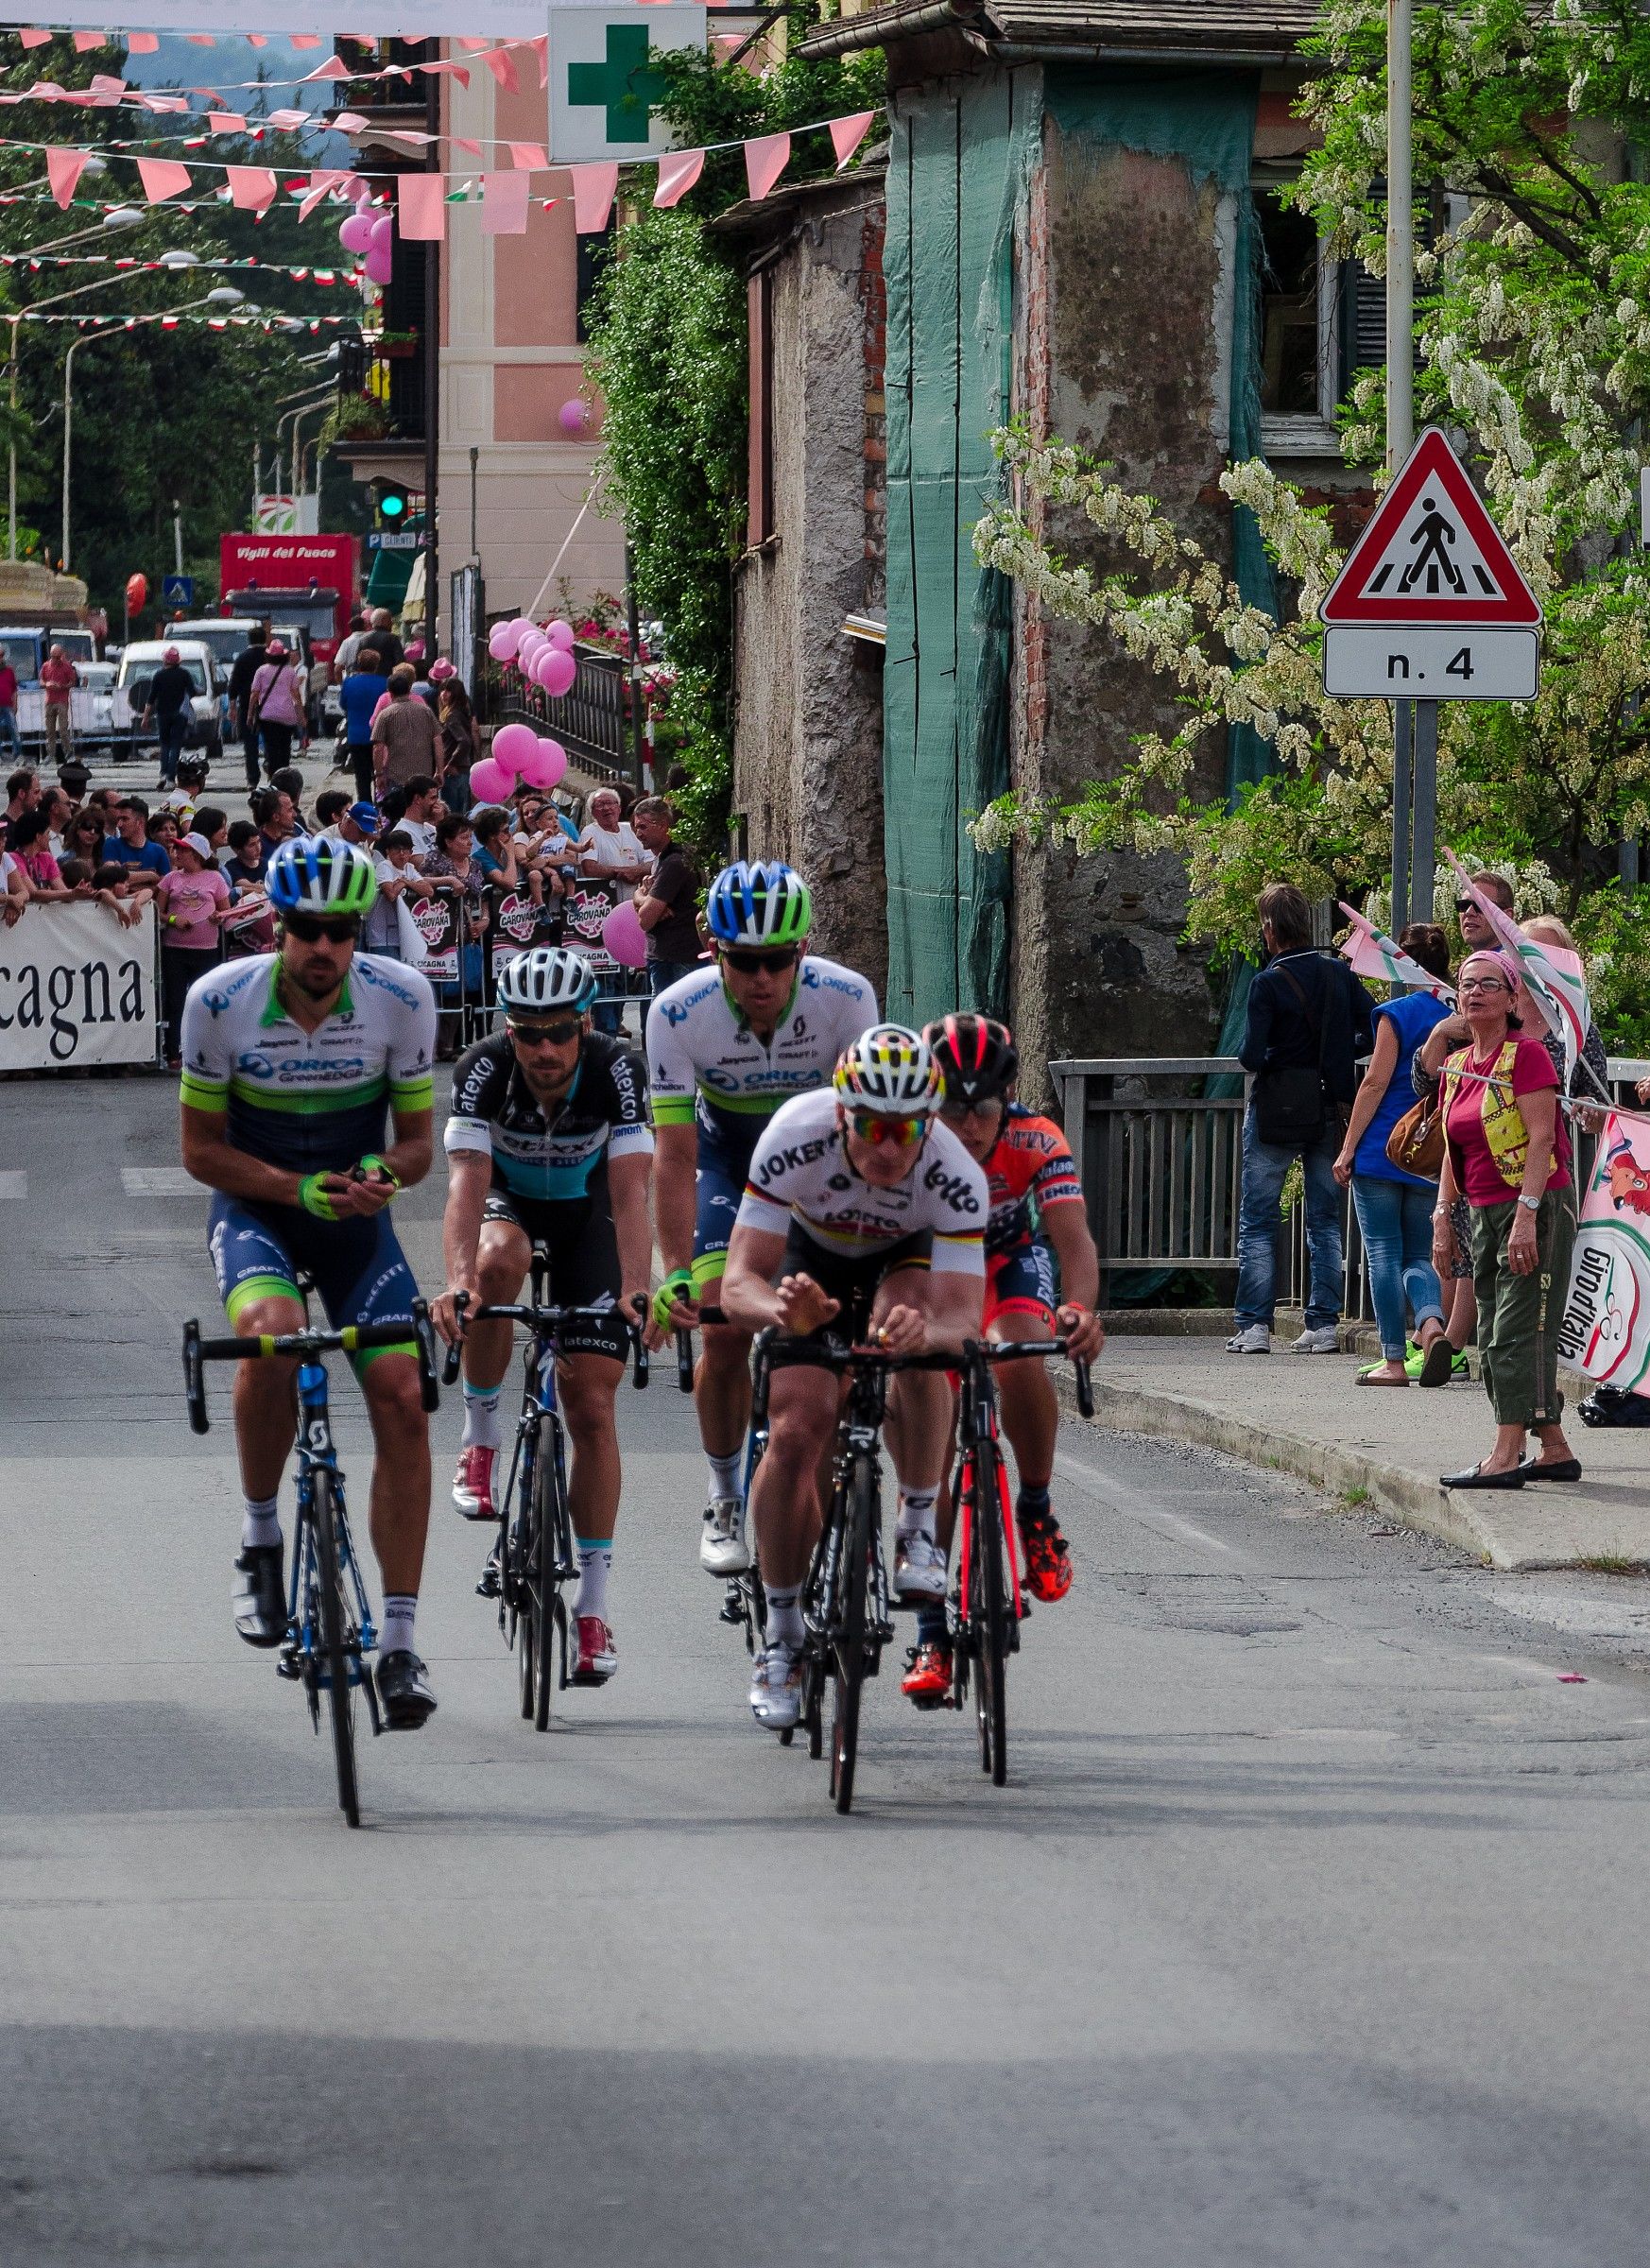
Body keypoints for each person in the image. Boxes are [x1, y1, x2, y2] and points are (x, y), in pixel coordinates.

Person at [178, 836, 441, 1727]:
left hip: (354, 1220)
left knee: (403, 1393)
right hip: (257, 1206)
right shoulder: (218, 1002)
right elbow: (199, 1152)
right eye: (306, 930)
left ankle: (400, 1644)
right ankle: (260, 1540)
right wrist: (295, 1190)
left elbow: (417, 1146)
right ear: (278, 926)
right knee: (273, 1342)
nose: (324, 947)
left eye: (341, 929)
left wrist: (384, 1175)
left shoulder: (402, 998)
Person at [719, 1027, 988, 1730]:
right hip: (812, 1261)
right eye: (872, 1127)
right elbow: (738, 1281)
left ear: (928, 1123)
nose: (890, 1147)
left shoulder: (954, 1172)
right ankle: (781, 1638)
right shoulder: (795, 1134)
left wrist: (925, 1335)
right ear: (843, 1114)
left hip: (903, 1259)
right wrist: (784, 1310)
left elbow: (964, 1321)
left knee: (915, 1336)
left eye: (906, 1131)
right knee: (797, 1429)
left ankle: (918, 1527)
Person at [645, 861, 880, 1580]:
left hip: (818, 1168)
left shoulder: (846, 999)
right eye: (743, 962)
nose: (762, 979)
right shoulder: (678, 1013)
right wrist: (676, 1271)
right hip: (726, 1164)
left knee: (840, 1340)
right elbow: (674, 1153)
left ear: (803, 950)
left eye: (779, 960)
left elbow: (868, 1137)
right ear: (713, 952)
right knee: (719, 1328)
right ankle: (722, 1496)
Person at [432, 948, 655, 1685]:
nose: (546, 1049)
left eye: (560, 1032)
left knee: (592, 1406)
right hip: (513, 1206)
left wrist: (634, 1286)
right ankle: (482, 1436)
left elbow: (629, 1191)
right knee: (498, 1262)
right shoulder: (484, 1067)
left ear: (584, 1023)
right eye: (529, 1033)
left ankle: (592, 1613)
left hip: (589, 1215)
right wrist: (460, 1284)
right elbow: (465, 1186)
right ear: (509, 1028)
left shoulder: (617, 1067)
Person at [896, 1014, 1107, 1705]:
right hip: (931, 1270)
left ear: (1006, 1097)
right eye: (952, 1108)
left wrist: (1079, 1310)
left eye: (983, 1106)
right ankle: (931, 1632)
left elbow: (1072, 1241)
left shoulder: (1034, 1137)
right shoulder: (910, 1141)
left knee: (1020, 1358)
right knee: (929, 1411)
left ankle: (1036, 1509)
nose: (969, 1123)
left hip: (1007, 1264)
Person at [1430, 948, 1578, 1489]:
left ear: (1513, 996)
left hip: (1534, 1206)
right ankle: (1555, 1449)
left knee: (1514, 1331)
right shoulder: (1459, 1065)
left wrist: (1526, 1215)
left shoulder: (1528, 1056)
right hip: (1482, 1209)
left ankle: (1505, 1453)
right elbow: (1452, 1148)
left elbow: (1542, 1138)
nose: (1473, 993)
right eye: (1466, 985)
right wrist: (1443, 1217)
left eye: (1488, 984)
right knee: (1495, 1327)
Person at [1229, 883, 1376, 1354]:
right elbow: (1374, 1029)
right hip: (1330, 1105)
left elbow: (1251, 1055)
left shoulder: (1267, 983)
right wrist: (1336, 1055)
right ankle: (1323, 1325)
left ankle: (1254, 1327)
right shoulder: (1339, 974)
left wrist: (1279, 1058)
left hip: (1276, 1107)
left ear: (1270, 929)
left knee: (1258, 1218)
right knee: (1325, 1219)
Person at [1331, 923, 1456, 1385]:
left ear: (1401, 961)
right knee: (1419, 1254)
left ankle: (1393, 1360)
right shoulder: (1460, 1012)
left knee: (1383, 1251)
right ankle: (1431, 1324)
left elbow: (1375, 1082)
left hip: (1385, 1145)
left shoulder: (1396, 1013)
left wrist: (1348, 1149)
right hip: (1433, 1149)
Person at [156, 831, 232, 1067]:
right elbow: (157, 911)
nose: (177, 853)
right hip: (175, 948)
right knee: (176, 1000)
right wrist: (172, 920)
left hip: (206, 949)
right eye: (177, 849)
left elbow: (226, 912)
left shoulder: (215, 878)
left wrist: (218, 918)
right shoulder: (170, 879)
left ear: (197, 854)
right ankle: (173, 1051)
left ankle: (207, 1049)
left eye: (183, 849)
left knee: (206, 1001)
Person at [630, 797, 700, 996]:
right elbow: (645, 904)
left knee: (673, 1023)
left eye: (643, 827)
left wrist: (643, 900)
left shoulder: (674, 862)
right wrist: (641, 896)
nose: (638, 833)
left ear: (663, 825)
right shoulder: (663, 859)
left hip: (676, 958)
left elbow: (645, 919)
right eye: (636, 828)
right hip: (668, 956)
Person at [371, 664, 442, 802]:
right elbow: (438, 741)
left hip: (396, 776)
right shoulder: (425, 711)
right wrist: (439, 770)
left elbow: (377, 747)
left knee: (397, 815)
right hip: (424, 776)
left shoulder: (385, 715)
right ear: (410, 689)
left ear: (390, 693)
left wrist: (379, 774)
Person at [247, 642, 307, 775]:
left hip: (268, 717)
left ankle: (273, 776)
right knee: (285, 748)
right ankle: (284, 775)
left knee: (271, 748)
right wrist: (301, 717)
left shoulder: (261, 671)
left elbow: (254, 695)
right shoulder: (290, 672)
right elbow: (296, 696)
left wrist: (250, 715)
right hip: (287, 716)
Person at [338, 644, 388, 805]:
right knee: (380, 774)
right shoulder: (384, 683)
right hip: (380, 737)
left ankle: (365, 807)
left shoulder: (349, 683)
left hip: (356, 735)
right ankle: (381, 807)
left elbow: (343, 704)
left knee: (361, 777)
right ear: (376, 665)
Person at [142, 644, 196, 791]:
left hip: (162, 714)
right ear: (178, 661)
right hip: (180, 714)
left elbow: (151, 697)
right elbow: (193, 691)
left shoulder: (159, 675)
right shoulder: (184, 674)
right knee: (176, 745)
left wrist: (145, 717)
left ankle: (163, 774)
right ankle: (171, 779)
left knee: (165, 745)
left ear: (165, 660)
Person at [576, 786, 646, 885]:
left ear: (619, 808)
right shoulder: (589, 832)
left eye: (610, 803)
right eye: (600, 805)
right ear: (593, 813)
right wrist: (624, 873)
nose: (606, 808)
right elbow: (589, 868)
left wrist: (635, 873)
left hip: (633, 896)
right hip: (604, 897)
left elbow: (649, 861)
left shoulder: (631, 829)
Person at [228, 623, 268, 790]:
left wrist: (232, 706)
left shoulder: (242, 658)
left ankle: (252, 779)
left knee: (250, 745)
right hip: (269, 705)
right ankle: (273, 773)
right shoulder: (269, 657)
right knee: (271, 742)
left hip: (246, 705)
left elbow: (234, 684)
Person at [101, 797, 169, 889]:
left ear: (140, 822)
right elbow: (109, 876)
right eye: (118, 819)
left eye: (124, 819)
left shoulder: (159, 851)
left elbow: (165, 886)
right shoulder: (112, 844)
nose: (119, 825)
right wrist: (151, 875)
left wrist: (122, 875)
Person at [6, 808, 71, 899]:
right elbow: (33, 893)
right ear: (38, 837)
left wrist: (79, 894)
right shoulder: (13, 858)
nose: (49, 838)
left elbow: (61, 889)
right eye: (48, 833)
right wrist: (72, 894)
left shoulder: (47, 857)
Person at [40, 643, 77, 766]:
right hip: (50, 700)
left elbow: (72, 681)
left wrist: (62, 686)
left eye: (57, 656)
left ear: (61, 655)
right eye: (53, 656)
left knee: (63, 729)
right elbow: (41, 680)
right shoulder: (46, 666)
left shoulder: (66, 666)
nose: (56, 659)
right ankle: (50, 754)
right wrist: (47, 684)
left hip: (61, 701)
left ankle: (68, 752)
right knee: (49, 730)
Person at [0, 653, 19, 758]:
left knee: (14, 731)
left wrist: (15, 704)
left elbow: (14, 690)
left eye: (1, 656)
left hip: (8, 706)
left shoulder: (9, 671)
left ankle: (17, 754)